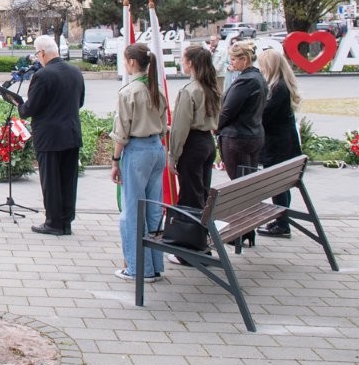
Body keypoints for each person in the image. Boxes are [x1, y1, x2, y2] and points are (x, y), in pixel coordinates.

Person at [110, 43, 168, 282]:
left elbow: (121, 130)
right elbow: (164, 123)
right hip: (156, 148)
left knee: (132, 210)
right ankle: (154, 265)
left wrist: (115, 161)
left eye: (125, 60)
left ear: (132, 63)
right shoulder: (156, 88)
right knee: (154, 208)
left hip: (137, 150)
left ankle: (137, 267)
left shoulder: (129, 92)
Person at [18, 36, 85, 236]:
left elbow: (30, 108)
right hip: (71, 134)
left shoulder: (42, 76)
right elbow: (79, 102)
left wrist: (19, 105)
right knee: (68, 180)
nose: (37, 59)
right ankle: (66, 222)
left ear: (43, 53)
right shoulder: (75, 72)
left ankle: (53, 223)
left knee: (51, 180)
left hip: (49, 137)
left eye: (37, 54)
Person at [169, 44, 223, 212]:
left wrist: (173, 155)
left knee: (190, 195)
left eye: (183, 59)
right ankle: (202, 231)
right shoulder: (212, 88)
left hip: (192, 144)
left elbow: (180, 127)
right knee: (203, 191)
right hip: (207, 141)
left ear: (190, 63)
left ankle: (191, 233)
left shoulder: (189, 91)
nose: (181, 63)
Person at [257, 47, 302, 237]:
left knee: (278, 185)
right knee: (280, 185)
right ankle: (281, 220)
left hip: (278, 145)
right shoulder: (280, 86)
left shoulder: (278, 89)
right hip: (284, 143)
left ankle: (282, 223)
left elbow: (265, 116)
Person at [217, 39, 267, 183]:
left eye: (233, 59)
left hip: (238, 137)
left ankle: (245, 206)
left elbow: (228, 110)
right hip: (253, 134)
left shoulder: (246, 80)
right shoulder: (258, 78)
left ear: (244, 59)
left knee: (240, 182)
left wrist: (215, 127)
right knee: (247, 180)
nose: (231, 62)